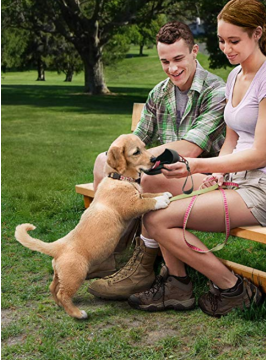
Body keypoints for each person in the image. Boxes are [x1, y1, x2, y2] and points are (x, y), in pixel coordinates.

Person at [127, 0, 266, 317]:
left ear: (257, 33)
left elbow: (260, 154)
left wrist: (199, 165)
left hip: (261, 191)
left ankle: (234, 288)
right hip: (232, 182)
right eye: (221, 40)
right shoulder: (235, 76)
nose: (227, 48)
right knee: (152, 181)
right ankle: (177, 287)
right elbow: (231, 140)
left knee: (156, 219)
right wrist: (218, 173)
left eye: (234, 41)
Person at [87, 21, 226, 299]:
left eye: (178, 59)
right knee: (102, 161)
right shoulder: (160, 92)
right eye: (165, 61)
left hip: (206, 177)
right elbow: (136, 138)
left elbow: (191, 147)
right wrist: (118, 156)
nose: (172, 68)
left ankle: (143, 267)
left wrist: (139, 160)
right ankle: (105, 251)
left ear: (194, 51)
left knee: (149, 178)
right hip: (165, 172)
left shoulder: (216, 91)